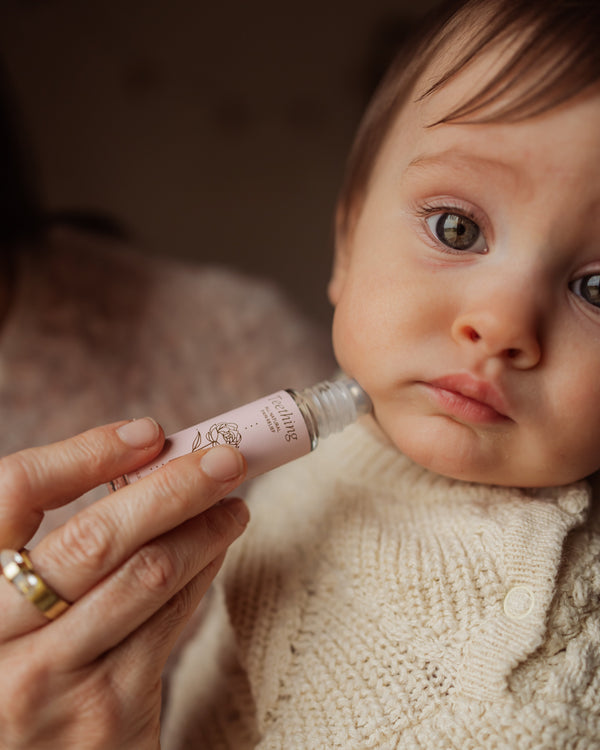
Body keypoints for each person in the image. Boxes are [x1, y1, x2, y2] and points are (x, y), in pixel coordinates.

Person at [1, 0, 599, 746]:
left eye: (596, 288)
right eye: (457, 228)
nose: (503, 323)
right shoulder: (282, 525)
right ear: (346, 243)